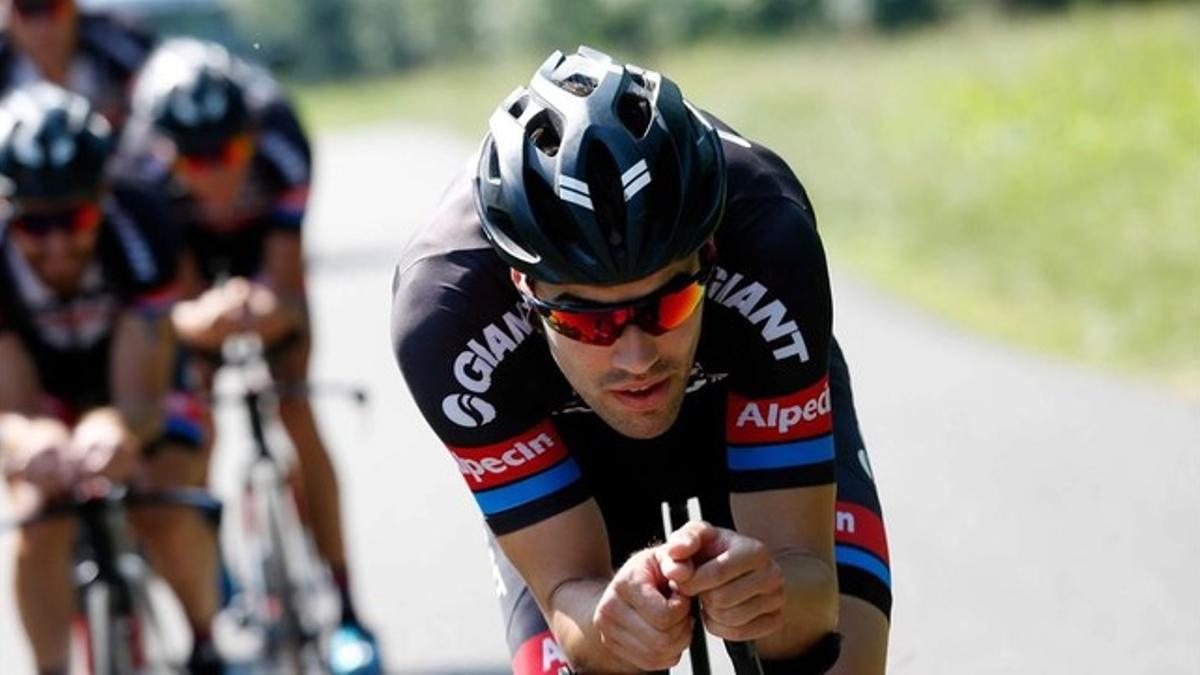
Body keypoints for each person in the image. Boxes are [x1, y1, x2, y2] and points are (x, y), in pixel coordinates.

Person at [392, 46, 892, 674]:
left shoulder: (769, 236)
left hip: (742, 395)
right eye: (584, 321)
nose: (635, 357)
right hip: (568, 447)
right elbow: (566, 590)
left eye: (669, 303)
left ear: (710, 251)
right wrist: (610, 620)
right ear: (523, 286)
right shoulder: (445, 316)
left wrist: (770, 593)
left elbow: (812, 595)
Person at [115, 37, 381, 672]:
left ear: (250, 134)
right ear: (163, 152)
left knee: (295, 408)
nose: (217, 172)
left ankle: (346, 608)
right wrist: (201, 320)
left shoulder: (283, 142)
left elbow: (286, 287)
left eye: (231, 151)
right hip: (190, 265)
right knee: (192, 415)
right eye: (195, 160)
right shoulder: (138, 176)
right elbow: (166, 311)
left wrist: (268, 307)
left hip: (262, 254)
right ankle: (218, 570)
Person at [0, 82, 222, 674]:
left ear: (101, 197)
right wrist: (34, 443)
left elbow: (139, 399)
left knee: (163, 504)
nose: (54, 245)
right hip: (44, 392)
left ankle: (206, 644)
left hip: (137, 382)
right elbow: (12, 405)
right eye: (32, 225)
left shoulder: (140, 221)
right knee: (36, 519)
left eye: (72, 218)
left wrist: (112, 429)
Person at [0, 0, 154, 130]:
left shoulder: (120, 47)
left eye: (54, 6)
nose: (43, 26)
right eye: (27, 10)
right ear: (10, 17)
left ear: (72, 7)